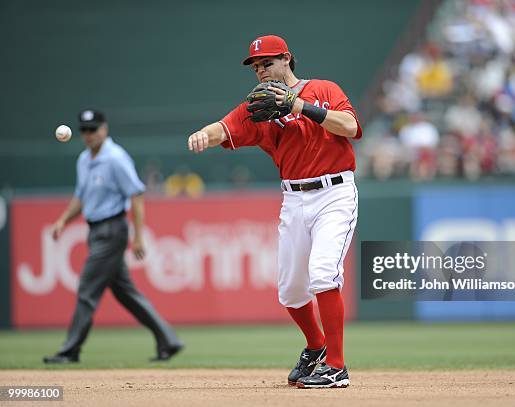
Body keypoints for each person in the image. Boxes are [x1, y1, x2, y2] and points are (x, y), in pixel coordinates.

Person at [188, 35, 361, 389]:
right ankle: (316, 345)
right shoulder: (258, 107)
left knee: (323, 272)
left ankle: (337, 367)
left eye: (267, 63)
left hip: (335, 195)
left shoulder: (323, 89)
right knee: (290, 292)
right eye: (255, 67)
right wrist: (203, 135)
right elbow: (224, 128)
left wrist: (299, 106)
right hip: (294, 200)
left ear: (287, 59)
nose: (261, 71)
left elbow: (351, 127)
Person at [43, 109, 183, 364]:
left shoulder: (116, 158)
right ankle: (169, 340)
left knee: (87, 288)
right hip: (95, 230)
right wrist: (63, 220)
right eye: (84, 130)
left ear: (104, 129)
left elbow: (137, 194)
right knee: (126, 293)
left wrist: (138, 236)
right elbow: (80, 197)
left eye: (93, 129)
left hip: (112, 230)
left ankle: (70, 351)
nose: (88, 135)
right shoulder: (84, 160)